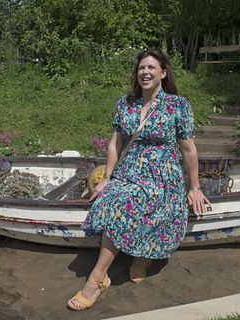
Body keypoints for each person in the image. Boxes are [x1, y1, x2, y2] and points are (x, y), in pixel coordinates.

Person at [67, 48, 211, 311]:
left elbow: (188, 149)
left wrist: (195, 187)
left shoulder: (178, 105)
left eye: (151, 68)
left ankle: (128, 264)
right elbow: (115, 144)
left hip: (162, 176)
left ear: (163, 73)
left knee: (135, 202)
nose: (145, 72)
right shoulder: (126, 104)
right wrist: (107, 178)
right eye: (141, 68)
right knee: (114, 201)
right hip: (129, 172)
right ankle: (100, 277)